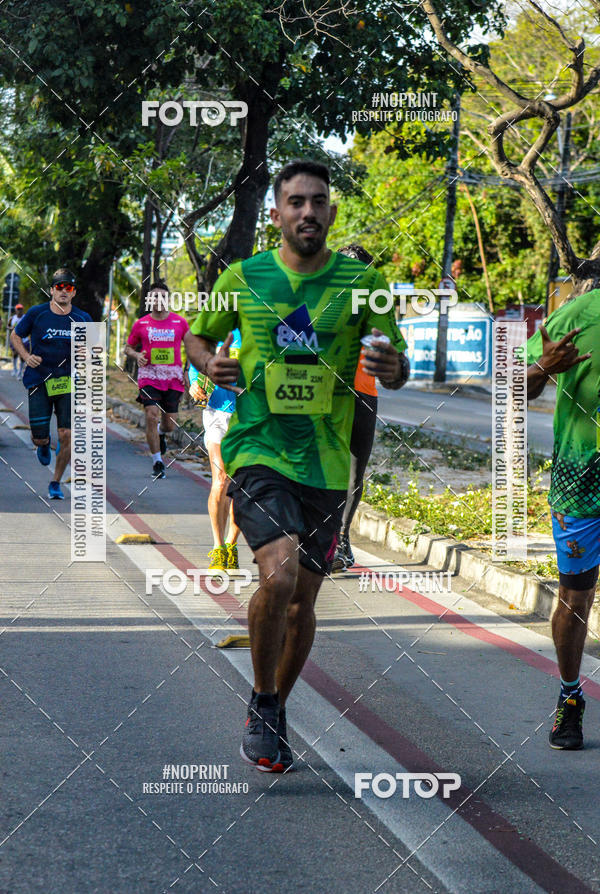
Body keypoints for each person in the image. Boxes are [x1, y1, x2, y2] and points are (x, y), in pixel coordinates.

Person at [186, 160, 408, 772]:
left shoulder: (364, 282)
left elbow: (396, 360)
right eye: (296, 202)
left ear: (331, 212)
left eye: (318, 202)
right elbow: (197, 338)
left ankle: (276, 707)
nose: (308, 211)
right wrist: (208, 363)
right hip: (258, 448)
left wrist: (394, 367)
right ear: (277, 213)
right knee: (279, 574)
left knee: (303, 598)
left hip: (328, 462)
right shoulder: (244, 277)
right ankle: (262, 701)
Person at [527, 302, 597, 749]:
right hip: (582, 481)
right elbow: (514, 387)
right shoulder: (576, 315)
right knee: (574, 598)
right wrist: (541, 367)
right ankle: (570, 697)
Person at [331, 245, 410, 570]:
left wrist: (394, 367)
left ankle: (341, 540)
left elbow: (401, 367)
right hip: (322, 399)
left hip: (363, 397)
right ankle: (317, 538)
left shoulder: (378, 314)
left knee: (353, 474)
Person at [10, 269, 91, 500]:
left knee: (67, 434)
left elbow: (94, 349)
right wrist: (26, 357)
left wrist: (87, 354)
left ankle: (55, 482)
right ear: (52, 290)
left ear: (74, 292)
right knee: (39, 437)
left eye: (68, 288)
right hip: (39, 380)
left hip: (68, 382)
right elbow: (15, 335)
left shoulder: (83, 318)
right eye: (59, 287)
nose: (63, 291)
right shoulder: (37, 313)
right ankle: (43, 443)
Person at [125, 281, 191, 479]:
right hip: (149, 376)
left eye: (162, 297)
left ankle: (162, 433)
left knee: (170, 425)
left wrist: (187, 370)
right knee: (151, 415)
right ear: (149, 300)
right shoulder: (141, 324)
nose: (158, 300)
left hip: (173, 378)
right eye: (154, 296)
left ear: (168, 300)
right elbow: (128, 348)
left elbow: (191, 347)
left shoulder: (180, 323)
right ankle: (157, 462)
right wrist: (137, 356)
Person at [188, 329, 242, 572]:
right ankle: (218, 548)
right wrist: (194, 385)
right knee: (221, 479)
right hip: (217, 412)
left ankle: (231, 544)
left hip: (248, 416)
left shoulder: (257, 331)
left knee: (241, 485)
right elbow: (195, 365)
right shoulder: (211, 332)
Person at [9, 304, 27, 379]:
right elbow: (8, 326)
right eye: (18, 309)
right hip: (15, 339)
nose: (20, 310)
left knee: (22, 355)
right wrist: (12, 328)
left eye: (21, 309)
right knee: (15, 354)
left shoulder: (26, 317)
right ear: (15, 310)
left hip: (24, 339)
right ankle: (15, 369)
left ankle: (20, 372)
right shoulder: (12, 318)